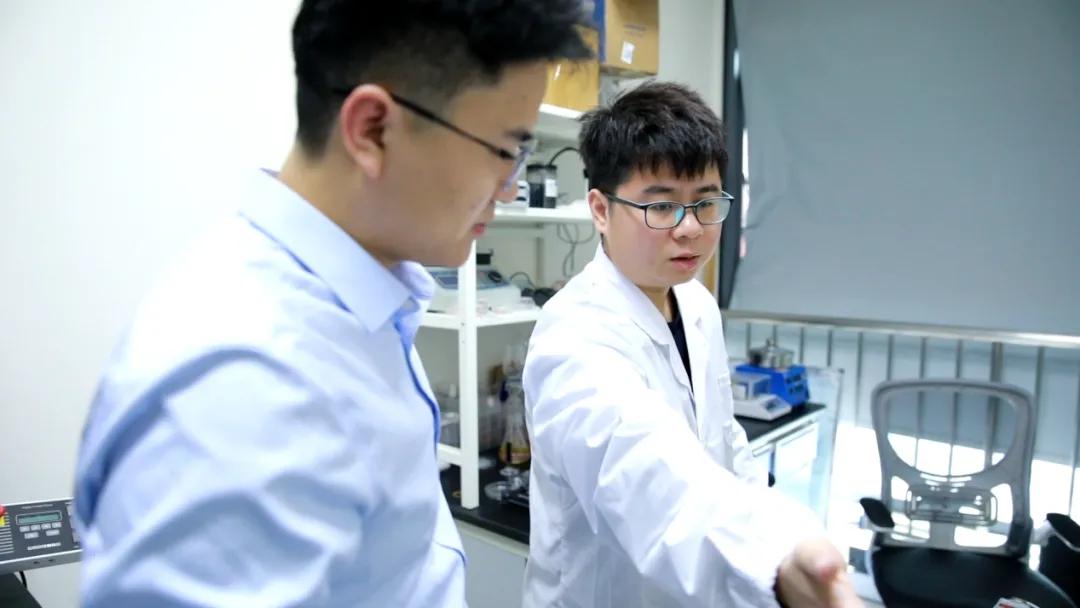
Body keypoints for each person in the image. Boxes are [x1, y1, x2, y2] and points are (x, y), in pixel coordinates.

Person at [72, 2, 590, 606]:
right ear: (372, 130)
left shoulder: (361, 301)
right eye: (505, 151)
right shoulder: (245, 384)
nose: (511, 186)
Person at [522, 81, 863, 607]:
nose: (690, 229)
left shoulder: (695, 302)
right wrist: (774, 560)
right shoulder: (573, 335)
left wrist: (770, 521)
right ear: (600, 210)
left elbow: (722, 439)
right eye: (661, 206)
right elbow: (644, 474)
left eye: (706, 202)